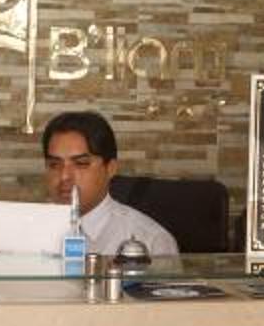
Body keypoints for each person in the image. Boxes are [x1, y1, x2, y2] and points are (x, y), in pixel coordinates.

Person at [39, 110, 181, 259]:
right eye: (54, 165)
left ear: (110, 169)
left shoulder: (151, 241)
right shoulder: (29, 230)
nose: (64, 176)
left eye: (81, 164)